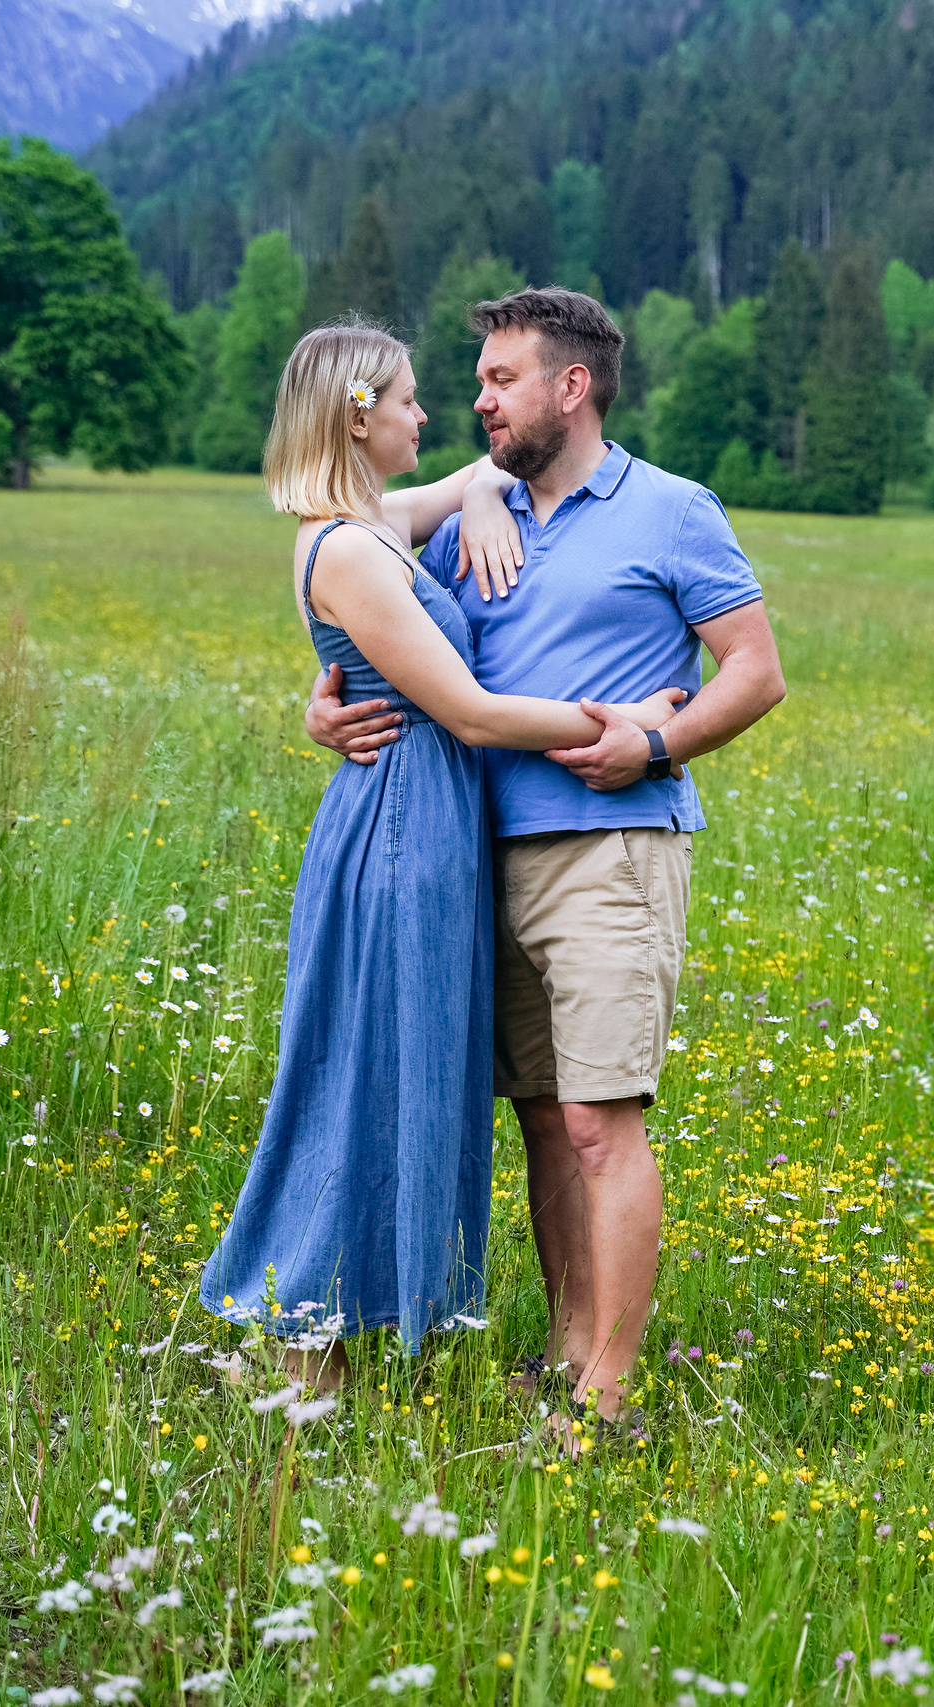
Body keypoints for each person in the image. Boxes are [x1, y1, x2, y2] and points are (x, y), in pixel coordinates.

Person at [309, 287, 787, 1439]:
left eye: (499, 380)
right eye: (469, 383)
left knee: (597, 1121)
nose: (476, 399)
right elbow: (367, 610)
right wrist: (321, 710)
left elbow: (755, 672)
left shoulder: (672, 511)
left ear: (571, 387)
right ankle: (570, 1355)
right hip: (476, 859)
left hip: (611, 853)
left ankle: (608, 1402)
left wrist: (658, 741)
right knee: (537, 1116)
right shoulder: (476, 507)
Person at [199, 317, 685, 1394]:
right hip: (402, 834)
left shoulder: (376, 522)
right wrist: (625, 718)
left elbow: (483, 470)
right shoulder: (344, 547)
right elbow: (464, 711)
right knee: (360, 1074)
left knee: (396, 1071)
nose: (437, 414)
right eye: (413, 399)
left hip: (432, 830)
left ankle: (320, 1336)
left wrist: (473, 495)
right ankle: (300, 1349)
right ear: (360, 415)